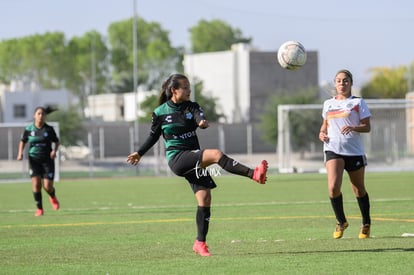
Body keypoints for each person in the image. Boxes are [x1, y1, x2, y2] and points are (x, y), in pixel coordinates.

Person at [126, 73, 268, 256]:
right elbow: (153, 136)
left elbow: (198, 115)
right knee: (216, 154)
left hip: (193, 157)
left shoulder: (192, 106)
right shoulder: (160, 113)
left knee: (205, 199)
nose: (188, 90)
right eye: (184, 87)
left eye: (189, 87)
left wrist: (201, 122)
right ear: (173, 90)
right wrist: (139, 153)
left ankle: (200, 243)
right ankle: (254, 174)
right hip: (177, 158)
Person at [319, 69, 372, 239]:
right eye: (339, 81)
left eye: (346, 81)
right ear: (335, 84)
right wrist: (321, 133)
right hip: (332, 148)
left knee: (358, 189)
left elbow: (367, 127)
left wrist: (353, 127)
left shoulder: (358, 102)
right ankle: (341, 221)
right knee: (333, 188)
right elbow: (325, 124)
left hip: (354, 151)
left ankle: (366, 222)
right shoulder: (328, 104)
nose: (342, 84)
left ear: (351, 83)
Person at [17, 106, 60, 217]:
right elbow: (23, 141)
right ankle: (39, 209)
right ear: (34, 116)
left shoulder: (49, 130)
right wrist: (20, 153)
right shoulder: (29, 129)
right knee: (36, 185)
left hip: (47, 160)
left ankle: (52, 196)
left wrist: (54, 151)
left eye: (43, 114)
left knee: (47, 186)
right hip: (34, 160)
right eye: (39, 114)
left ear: (45, 116)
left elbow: (57, 141)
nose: (41, 116)